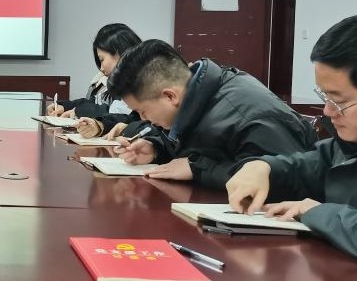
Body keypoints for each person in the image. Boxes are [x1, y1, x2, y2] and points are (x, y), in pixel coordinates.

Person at [108, 39, 317, 189]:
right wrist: (156, 148)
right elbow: (205, 149)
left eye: (142, 111)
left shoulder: (249, 116)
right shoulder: (198, 95)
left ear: (170, 96)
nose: (143, 119)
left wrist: (198, 169)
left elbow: (283, 179)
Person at [227, 15, 357, 256]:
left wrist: (317, 212)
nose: (327, 111)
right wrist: (263, 167)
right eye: (324, 97)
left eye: (339, 101)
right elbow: (305, 167)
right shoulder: (345, 147)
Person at [46, 23, 140, 122]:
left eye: (102, 59)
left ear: (119, 53)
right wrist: (65, 107)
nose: (101, 68)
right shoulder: (119, 83)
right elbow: (95, 102)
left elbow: (117, 114)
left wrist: (78, 112)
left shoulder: (138, 84)